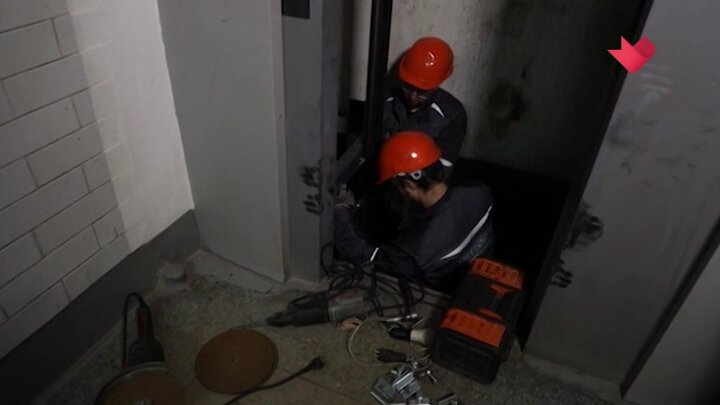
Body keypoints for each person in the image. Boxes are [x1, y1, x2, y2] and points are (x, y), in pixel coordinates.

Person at [335, 131, 494, 293]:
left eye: (396, 186)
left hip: (442, 296)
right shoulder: (480, 192)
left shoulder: (414, 250)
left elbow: (368, 259)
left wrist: (340, 213)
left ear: (409, 185)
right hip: (480, 281)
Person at [383, 37, 467, 165]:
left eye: (423, 92)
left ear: (437, 85)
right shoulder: (384, 98)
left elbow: (443, 167)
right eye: (408, 87)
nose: (412, 97)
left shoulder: (452, 114)